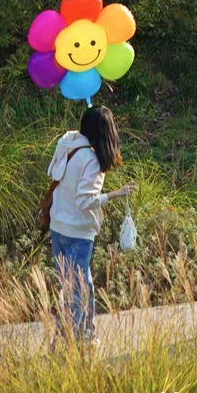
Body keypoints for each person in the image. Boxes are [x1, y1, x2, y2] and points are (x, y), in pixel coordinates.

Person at [46, 105, 134, 343]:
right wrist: (116, 194)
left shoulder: (67, 142)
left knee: (78, 284)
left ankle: (88, 336)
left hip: (58, 227)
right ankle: (68, 345)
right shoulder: (92, 161)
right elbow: (85, 200)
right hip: (78, 232)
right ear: (107, 133)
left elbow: (52, 173)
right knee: (77, 292)